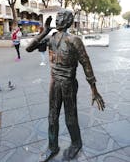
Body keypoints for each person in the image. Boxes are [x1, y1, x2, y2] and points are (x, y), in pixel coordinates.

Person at [26, 9, 105, 162]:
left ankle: (76, 143)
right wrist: (45, 31)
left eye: (61, 17)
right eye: (57, 16)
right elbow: (29, 48)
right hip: (54, 82)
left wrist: (94, 89)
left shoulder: (74, 40)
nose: (58, 19)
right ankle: (52, 146)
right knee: (52, 117)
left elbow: (86, 63)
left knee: (70, 117)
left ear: (68, 21)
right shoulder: (51, 38)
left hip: (68, 83)